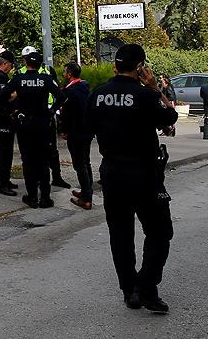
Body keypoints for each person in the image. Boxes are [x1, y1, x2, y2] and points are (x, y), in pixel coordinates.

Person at [85, 43, 178, 313]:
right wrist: (155, 89)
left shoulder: (97, 94)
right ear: (140, 68)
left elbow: (85, 129)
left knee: (120, 233)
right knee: (160, 231)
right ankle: (147, 288)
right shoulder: (145, 95)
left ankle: (129, 291)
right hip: (144, 173)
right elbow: (170, 118)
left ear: (116, 65)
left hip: (112, 173)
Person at [0, 50, 64, 208]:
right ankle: (46, 198)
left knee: (28, 161)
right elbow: (62, 97)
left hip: (24, 124)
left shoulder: (18, 79)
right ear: (40, 64)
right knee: (43, 160)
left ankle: (32, 196)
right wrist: (50, 111)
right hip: (42, 124)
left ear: (26, 63)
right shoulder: (46, 79)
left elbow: (1, 96)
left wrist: (12, 111)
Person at [19, 46, 71, 190]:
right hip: (33, 115)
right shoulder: (19, 73)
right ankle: (36, 181)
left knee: (51, 149)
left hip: (45, 114)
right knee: (33, 152)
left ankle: (56, 177)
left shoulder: (48, 71)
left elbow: (58, 91)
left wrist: (53, 109)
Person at [59, 62, 94, 210]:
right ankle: (87, 192)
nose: (63, 74)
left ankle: (86, 199)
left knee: (79, 165)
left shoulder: (70, 91)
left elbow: (66, 114)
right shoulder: (86, 88)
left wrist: (64, 130)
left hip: (76, 132)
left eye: (65, 71)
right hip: (87, 131)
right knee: (86, 162)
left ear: (70, 74)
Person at [0, 50, 19, 196]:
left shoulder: (0, 76)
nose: (11, 68)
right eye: (11, 65)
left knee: (7, 152)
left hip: (5, 117)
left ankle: (5, 180)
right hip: (2, 118)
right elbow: (7, 96)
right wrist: (17, 92)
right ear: (5, 63)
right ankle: (0, 183)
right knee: (4, 153)